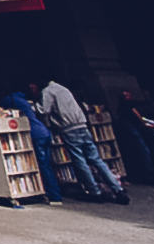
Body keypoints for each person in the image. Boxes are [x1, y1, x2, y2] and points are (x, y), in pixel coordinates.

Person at [36, 76, 127, 204]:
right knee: (97, 160)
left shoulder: (47, 91)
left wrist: (32, 107)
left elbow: (43, 110)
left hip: (69, 129)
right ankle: (118, 189)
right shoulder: (64, 89)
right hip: (82, 126)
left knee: (80, 161)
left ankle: (94, 191)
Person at [1, 86, 62, 204]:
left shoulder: (10, 99)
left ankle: (53, 195)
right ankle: (54, 192)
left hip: (35, 134)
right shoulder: (24, 100)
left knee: (42, 165)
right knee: (47, 165)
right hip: (43, 132)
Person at [112, 91, 154, 185]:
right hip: (133, 126)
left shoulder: (127, 110)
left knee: (144, 148)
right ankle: (151, 173)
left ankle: (150, 172)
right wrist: (143, 123)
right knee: (144, 148)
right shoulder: (133, 108)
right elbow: (133, 111)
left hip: (133, 126)